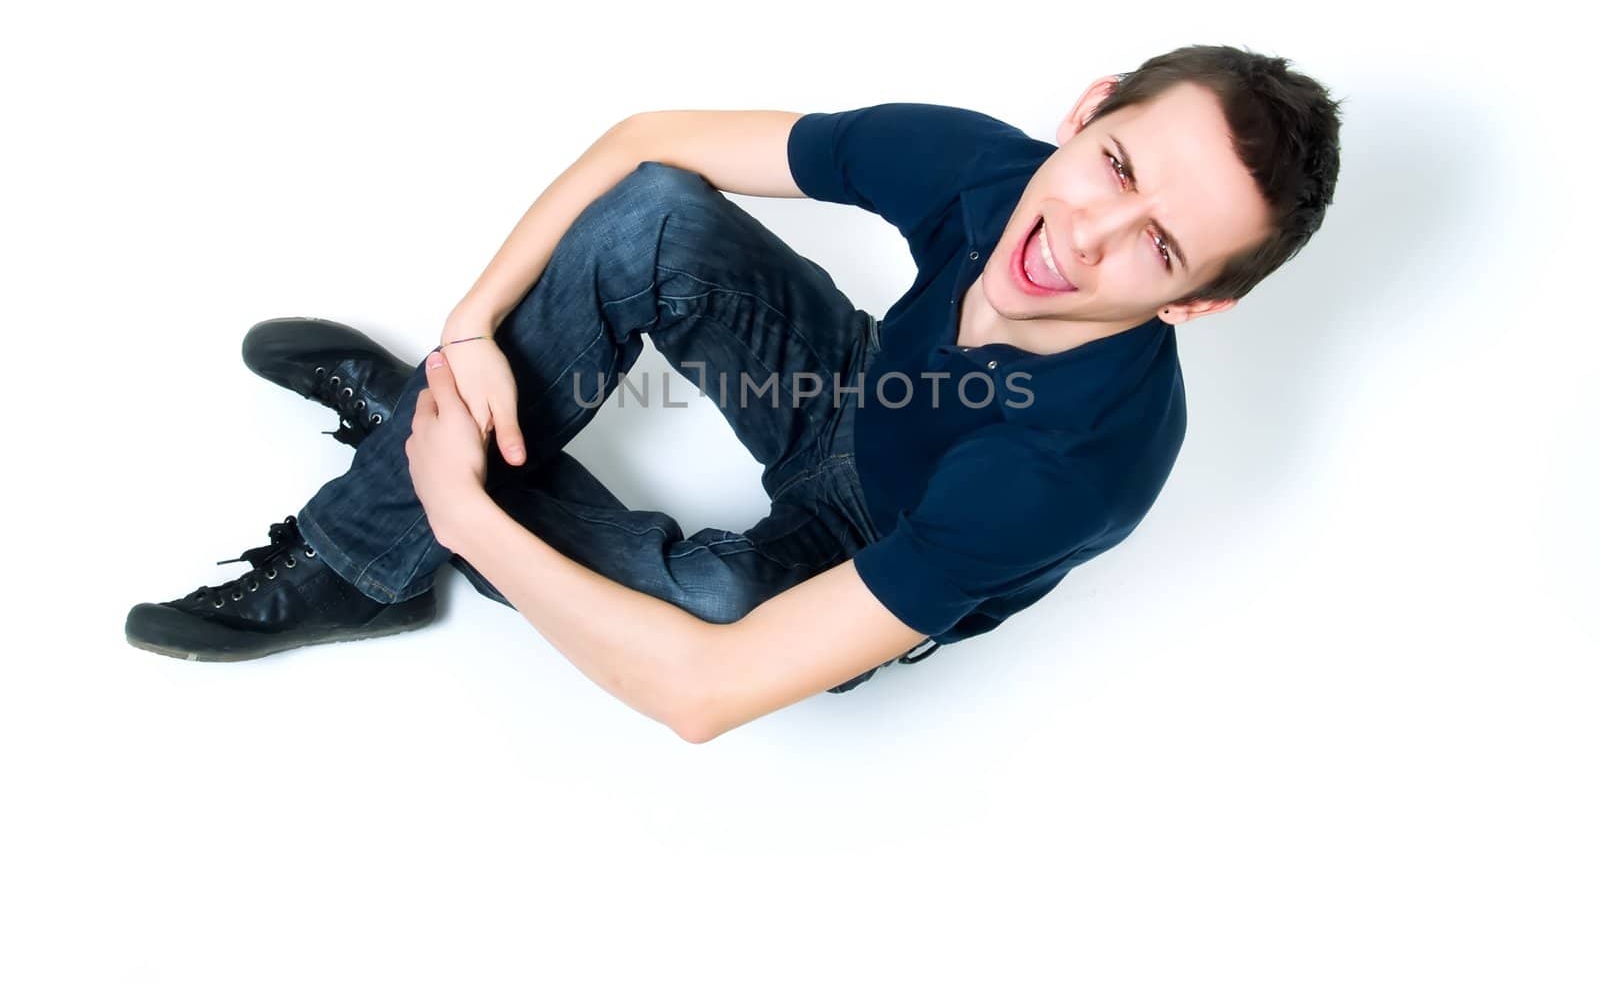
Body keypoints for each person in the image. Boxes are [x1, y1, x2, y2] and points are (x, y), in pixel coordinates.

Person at [124, 44, 1343, 742]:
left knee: (704, 615)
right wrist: (471, 324)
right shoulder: (989, 167)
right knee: (657, 216)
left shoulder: (1079, 463)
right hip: (843, 386)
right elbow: (650, 140)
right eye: (1114, 164)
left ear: (1193, 305)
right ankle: (388, 509)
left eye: (1159, 248)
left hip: (882, 543)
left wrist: (467, 513)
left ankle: (398, 491)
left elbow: (705, 696)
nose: (1083, 236)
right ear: (1086, 114)